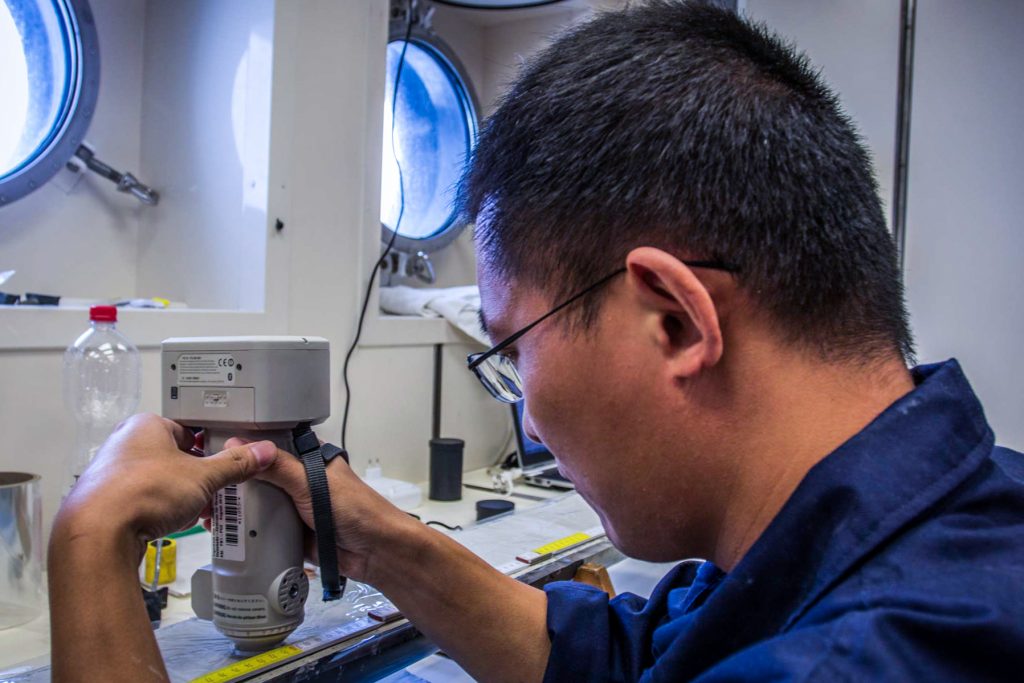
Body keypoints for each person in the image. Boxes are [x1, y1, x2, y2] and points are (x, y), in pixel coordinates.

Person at [49, 1, 1024, 681]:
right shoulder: (940, 519)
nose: (529, 415)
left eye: (514, 350)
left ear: (675, 319)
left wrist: (93, 539)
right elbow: (624, 659)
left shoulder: (870, 658)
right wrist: (373, 530)